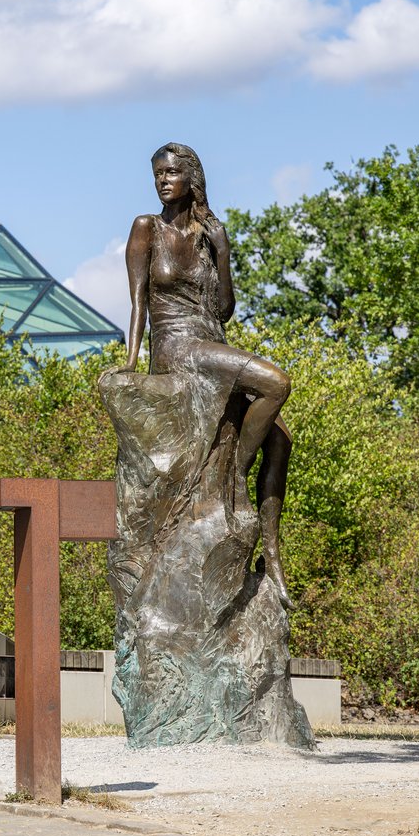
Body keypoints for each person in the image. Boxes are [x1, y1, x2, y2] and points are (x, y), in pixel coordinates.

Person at [117, 142, 294, 609]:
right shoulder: (146, 228)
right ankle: (234, 475)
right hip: (177, 347)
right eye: (157, 173)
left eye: (171, 172)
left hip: (211, 342)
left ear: (191, 178)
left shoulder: (206, 233)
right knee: (276, 383)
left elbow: (225, 309)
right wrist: (132, 361)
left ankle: (270, 555)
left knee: (281, 440)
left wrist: (223, 248)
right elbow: (137, 301)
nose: (162, 179)